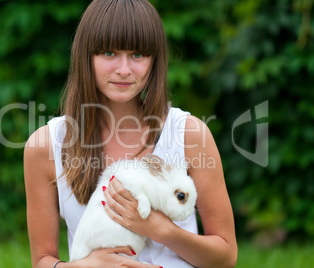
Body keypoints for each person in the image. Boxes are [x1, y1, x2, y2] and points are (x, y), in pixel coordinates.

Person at [24, 0, 238, 267]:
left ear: (154, 61)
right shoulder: (46, 145)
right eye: (109, 52)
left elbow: (226, 256)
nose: (124, 69)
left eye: (138, 54)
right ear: (85, 56)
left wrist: (162, 231)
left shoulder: (189, 134)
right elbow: (42, 260)